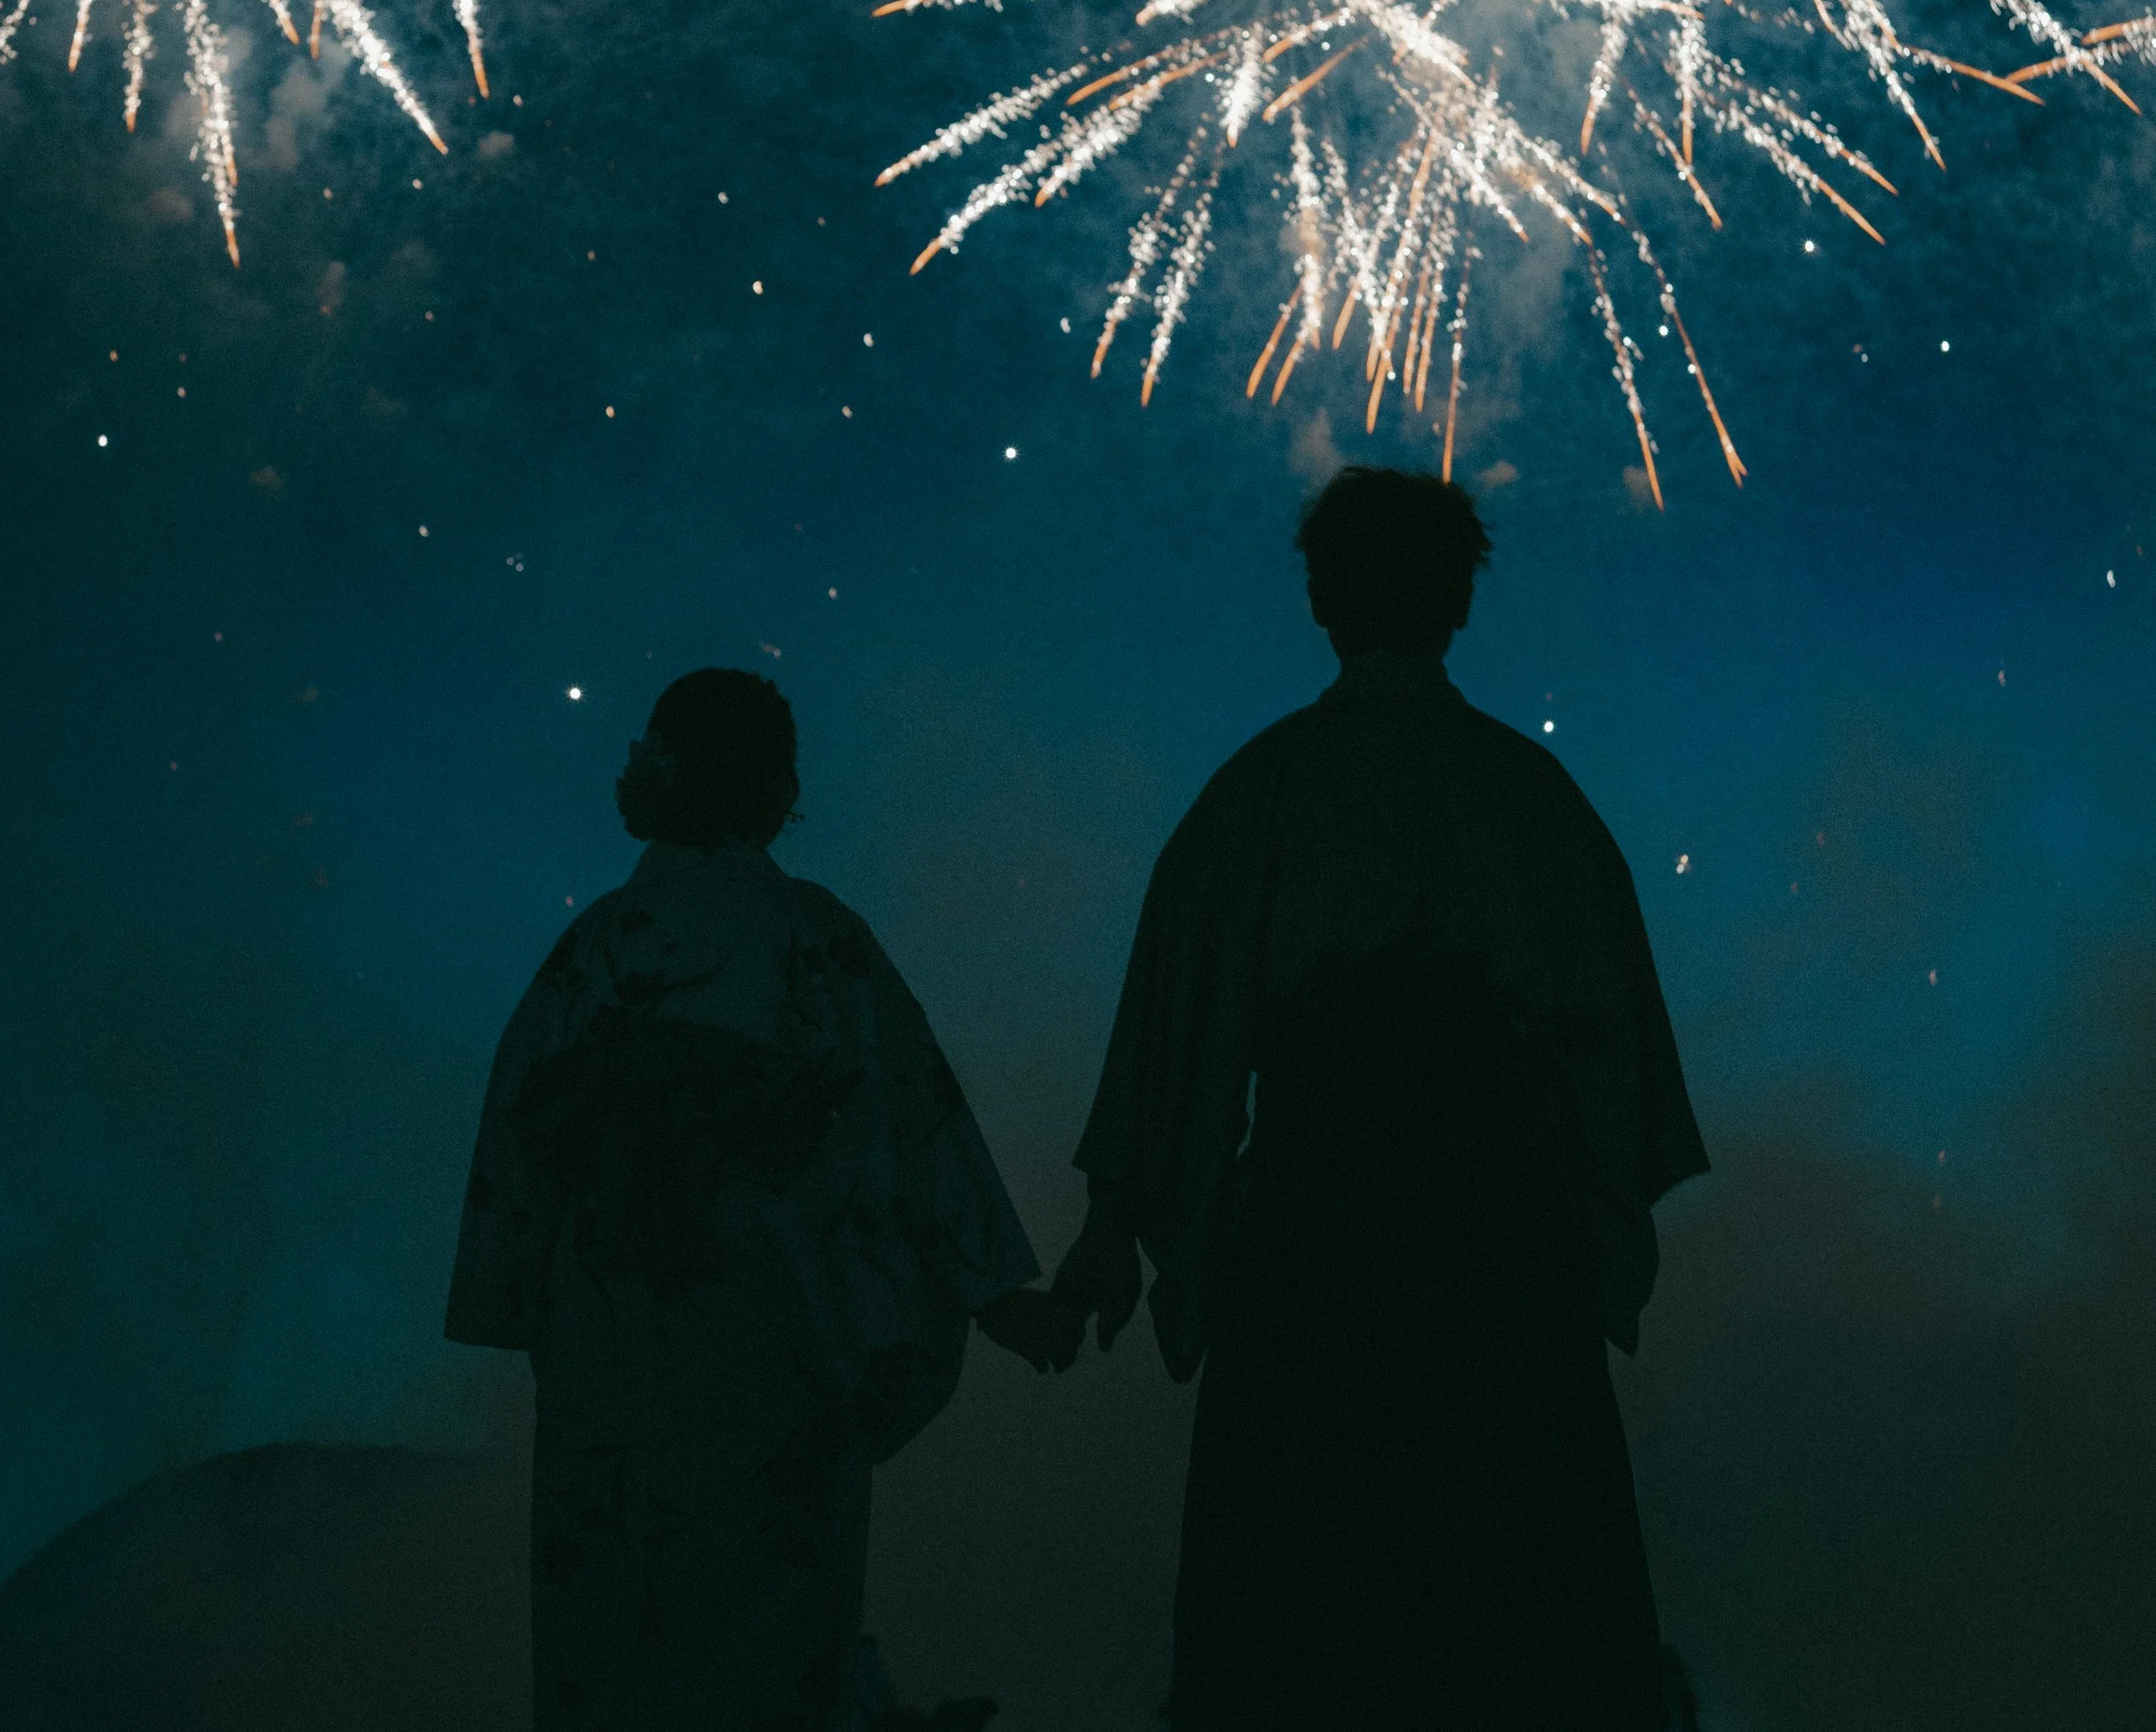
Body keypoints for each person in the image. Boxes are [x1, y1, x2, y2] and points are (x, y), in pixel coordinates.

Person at [1050, 466, 1708, 1731]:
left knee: (1305, 1610)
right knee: (1518, 1610)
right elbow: (1609, 1060)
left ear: (1319, 599)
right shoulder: (1537, 802)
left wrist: (1117, 1218)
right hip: (1499, 1251)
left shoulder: (1258, 795)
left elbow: (1174, 1042)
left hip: (1318, 1241)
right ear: (1460, 601)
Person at [446, 666, 1075, 1732]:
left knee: (615, 1654)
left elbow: (519, 1161)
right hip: (782, 1361)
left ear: (671, 773)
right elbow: (921, 1126)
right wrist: (998, 1296)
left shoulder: (598, 951)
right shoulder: (818, 942)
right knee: (772, 1659)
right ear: (775, 790)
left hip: (619, 1368)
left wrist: (524, 1301)